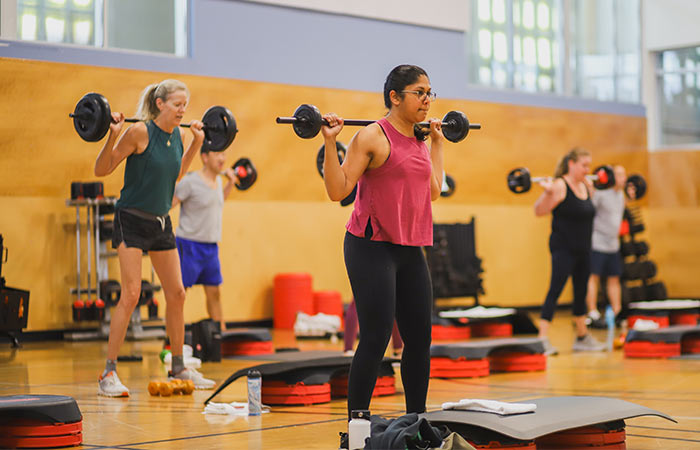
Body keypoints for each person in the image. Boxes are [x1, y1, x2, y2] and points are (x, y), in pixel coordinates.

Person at [321, 64, 444, 418]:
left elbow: (433, 190)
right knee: (375, 338)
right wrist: (330, 142)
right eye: (419, 93)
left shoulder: (420, 138)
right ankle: (357, 426)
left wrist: (437, 143)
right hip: (369, 246)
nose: (427, 100)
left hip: (409, 249)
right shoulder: (373, 137)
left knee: (419, 340)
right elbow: (337, 189)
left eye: (429, 93)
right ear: (395, 96)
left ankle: (415, 421)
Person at [94, 79, 215, 397]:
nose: (183, 110)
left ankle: (179, 366)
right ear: (160, 104)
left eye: (185, 105)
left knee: (177, 294)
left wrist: (195, 145)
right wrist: (113, 135)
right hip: (131, 219)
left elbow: (174, 174)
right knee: (131, 293)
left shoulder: (179, 134)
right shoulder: (139, 132)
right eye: (177, 104)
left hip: (161, 223)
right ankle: (109, 372)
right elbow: (102, 169)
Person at [533, 147, 606, 355]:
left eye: (589, 165)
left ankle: (582, 337)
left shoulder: (586, 186)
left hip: (583, 248)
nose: (587, 169)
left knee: (581, 291)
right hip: (563, 247)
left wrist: (592, 191)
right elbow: (538, 211)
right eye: (584, 165)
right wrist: (547, 194)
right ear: (571, 164)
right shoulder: (559, 186)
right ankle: (542, 338)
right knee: (555, 289)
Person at [172, 147, 239, 332]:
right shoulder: (190, 182)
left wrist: (230, 185)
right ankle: (171, 340)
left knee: (214, 293)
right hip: (189, 245)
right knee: (179, 295)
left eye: (224, 154)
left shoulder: (218, 181)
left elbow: (215, 203)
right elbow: (168, 203)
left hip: (210, 248)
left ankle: (220, 338)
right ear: (204, 157)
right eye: (218, 154)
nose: (223, 158)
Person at [585, 165, 634, 328]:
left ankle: (617, 310)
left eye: (624, 175)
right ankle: (592, 312)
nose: (623, 178)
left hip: (613, 245)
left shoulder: (621, 195)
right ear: (612, 177)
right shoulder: (601, 194)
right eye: (619, 175)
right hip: (597, 242)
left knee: (614, 279)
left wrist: (631, 197)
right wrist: (591, 189)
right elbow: (588, 208)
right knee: (593, 277)